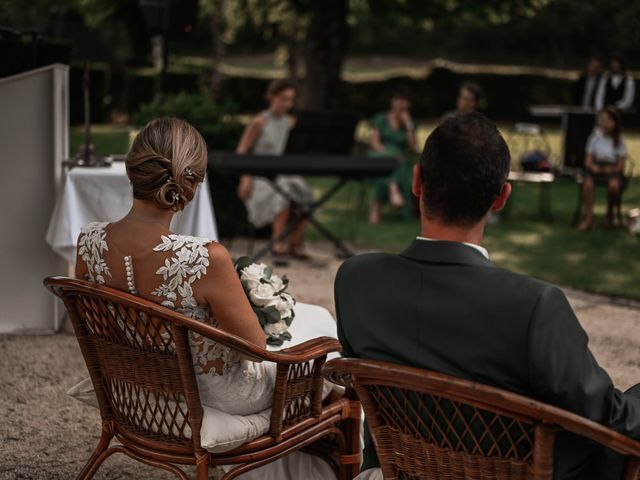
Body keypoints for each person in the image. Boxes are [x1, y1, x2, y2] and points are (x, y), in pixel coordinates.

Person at [335, 112, 640, 480]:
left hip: (401, 469)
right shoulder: (534, 306)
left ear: (417, 182)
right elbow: (608, 416)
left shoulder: (355, 280)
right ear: (501, 198)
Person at [74, 117, 338, 480]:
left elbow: (100, 329)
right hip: (221, 395)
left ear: (131, 169)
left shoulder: (88, 243)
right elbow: (253, 348)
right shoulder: (205, 258)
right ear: (192, 184)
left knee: (311, 315)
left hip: (141, 381)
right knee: (323, 326)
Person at [236, 79, 314, 259]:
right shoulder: (259, 122)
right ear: (272, 97)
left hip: (279, 174)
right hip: (259, 177)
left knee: (304, 193)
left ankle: (295, 243)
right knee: (284, 193)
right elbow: (241, 151)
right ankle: (278, 242)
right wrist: (245, 178)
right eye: (284, 99)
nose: (288, 104)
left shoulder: (288, 123)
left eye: (291, 100)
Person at [368, 88, 418, 224]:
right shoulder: (381, 119)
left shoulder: (410, 123)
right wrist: (389, 154)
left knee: (400, 166)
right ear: (392, 102)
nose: (401, 104)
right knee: (395, 161)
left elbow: (413, 147)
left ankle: (376, 206)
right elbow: (374, 143)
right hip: (380, 155)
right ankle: (393, 189)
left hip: (401, 159)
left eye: (404, 101)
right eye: (398, 100)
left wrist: (408, 126)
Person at [578, 107, 627, 231]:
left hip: (612, 168)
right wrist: (594, 167)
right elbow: (588, 160)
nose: (604, 123)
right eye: (602, 120)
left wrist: (611, 169)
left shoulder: (619, 141)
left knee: (614, 186)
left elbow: (621, 164)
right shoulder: (594, 138)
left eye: (608, 120)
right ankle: (588, 218)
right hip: (596, 167)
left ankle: (609, 215)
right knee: (588, 184)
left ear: (615, 123)